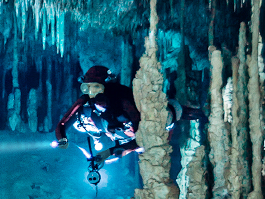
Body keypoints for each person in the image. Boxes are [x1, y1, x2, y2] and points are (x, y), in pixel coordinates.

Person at [54, 65, 202, 159]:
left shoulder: (122, 99)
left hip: (152, 119)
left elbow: (141, 135)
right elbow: (63, 122)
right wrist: (62, 139)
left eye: (96, 87)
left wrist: (111, 152)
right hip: (121, 131)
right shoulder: (86, 101)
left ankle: (200, 113)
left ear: (106, 86)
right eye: (88, 88)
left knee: (172, 114)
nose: (92, 93)